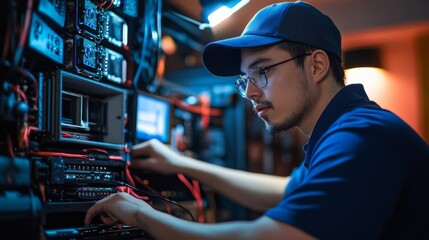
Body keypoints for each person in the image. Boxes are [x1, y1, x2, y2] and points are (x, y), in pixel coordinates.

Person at [84, 1, 429, 239]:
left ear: (317, 65)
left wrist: (139, 213)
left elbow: (266, 237)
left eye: (262, 71)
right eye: (244, 78)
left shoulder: (362, 137)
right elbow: (283, 193)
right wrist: (184, 164)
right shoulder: (344, 129)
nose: (249, 92)